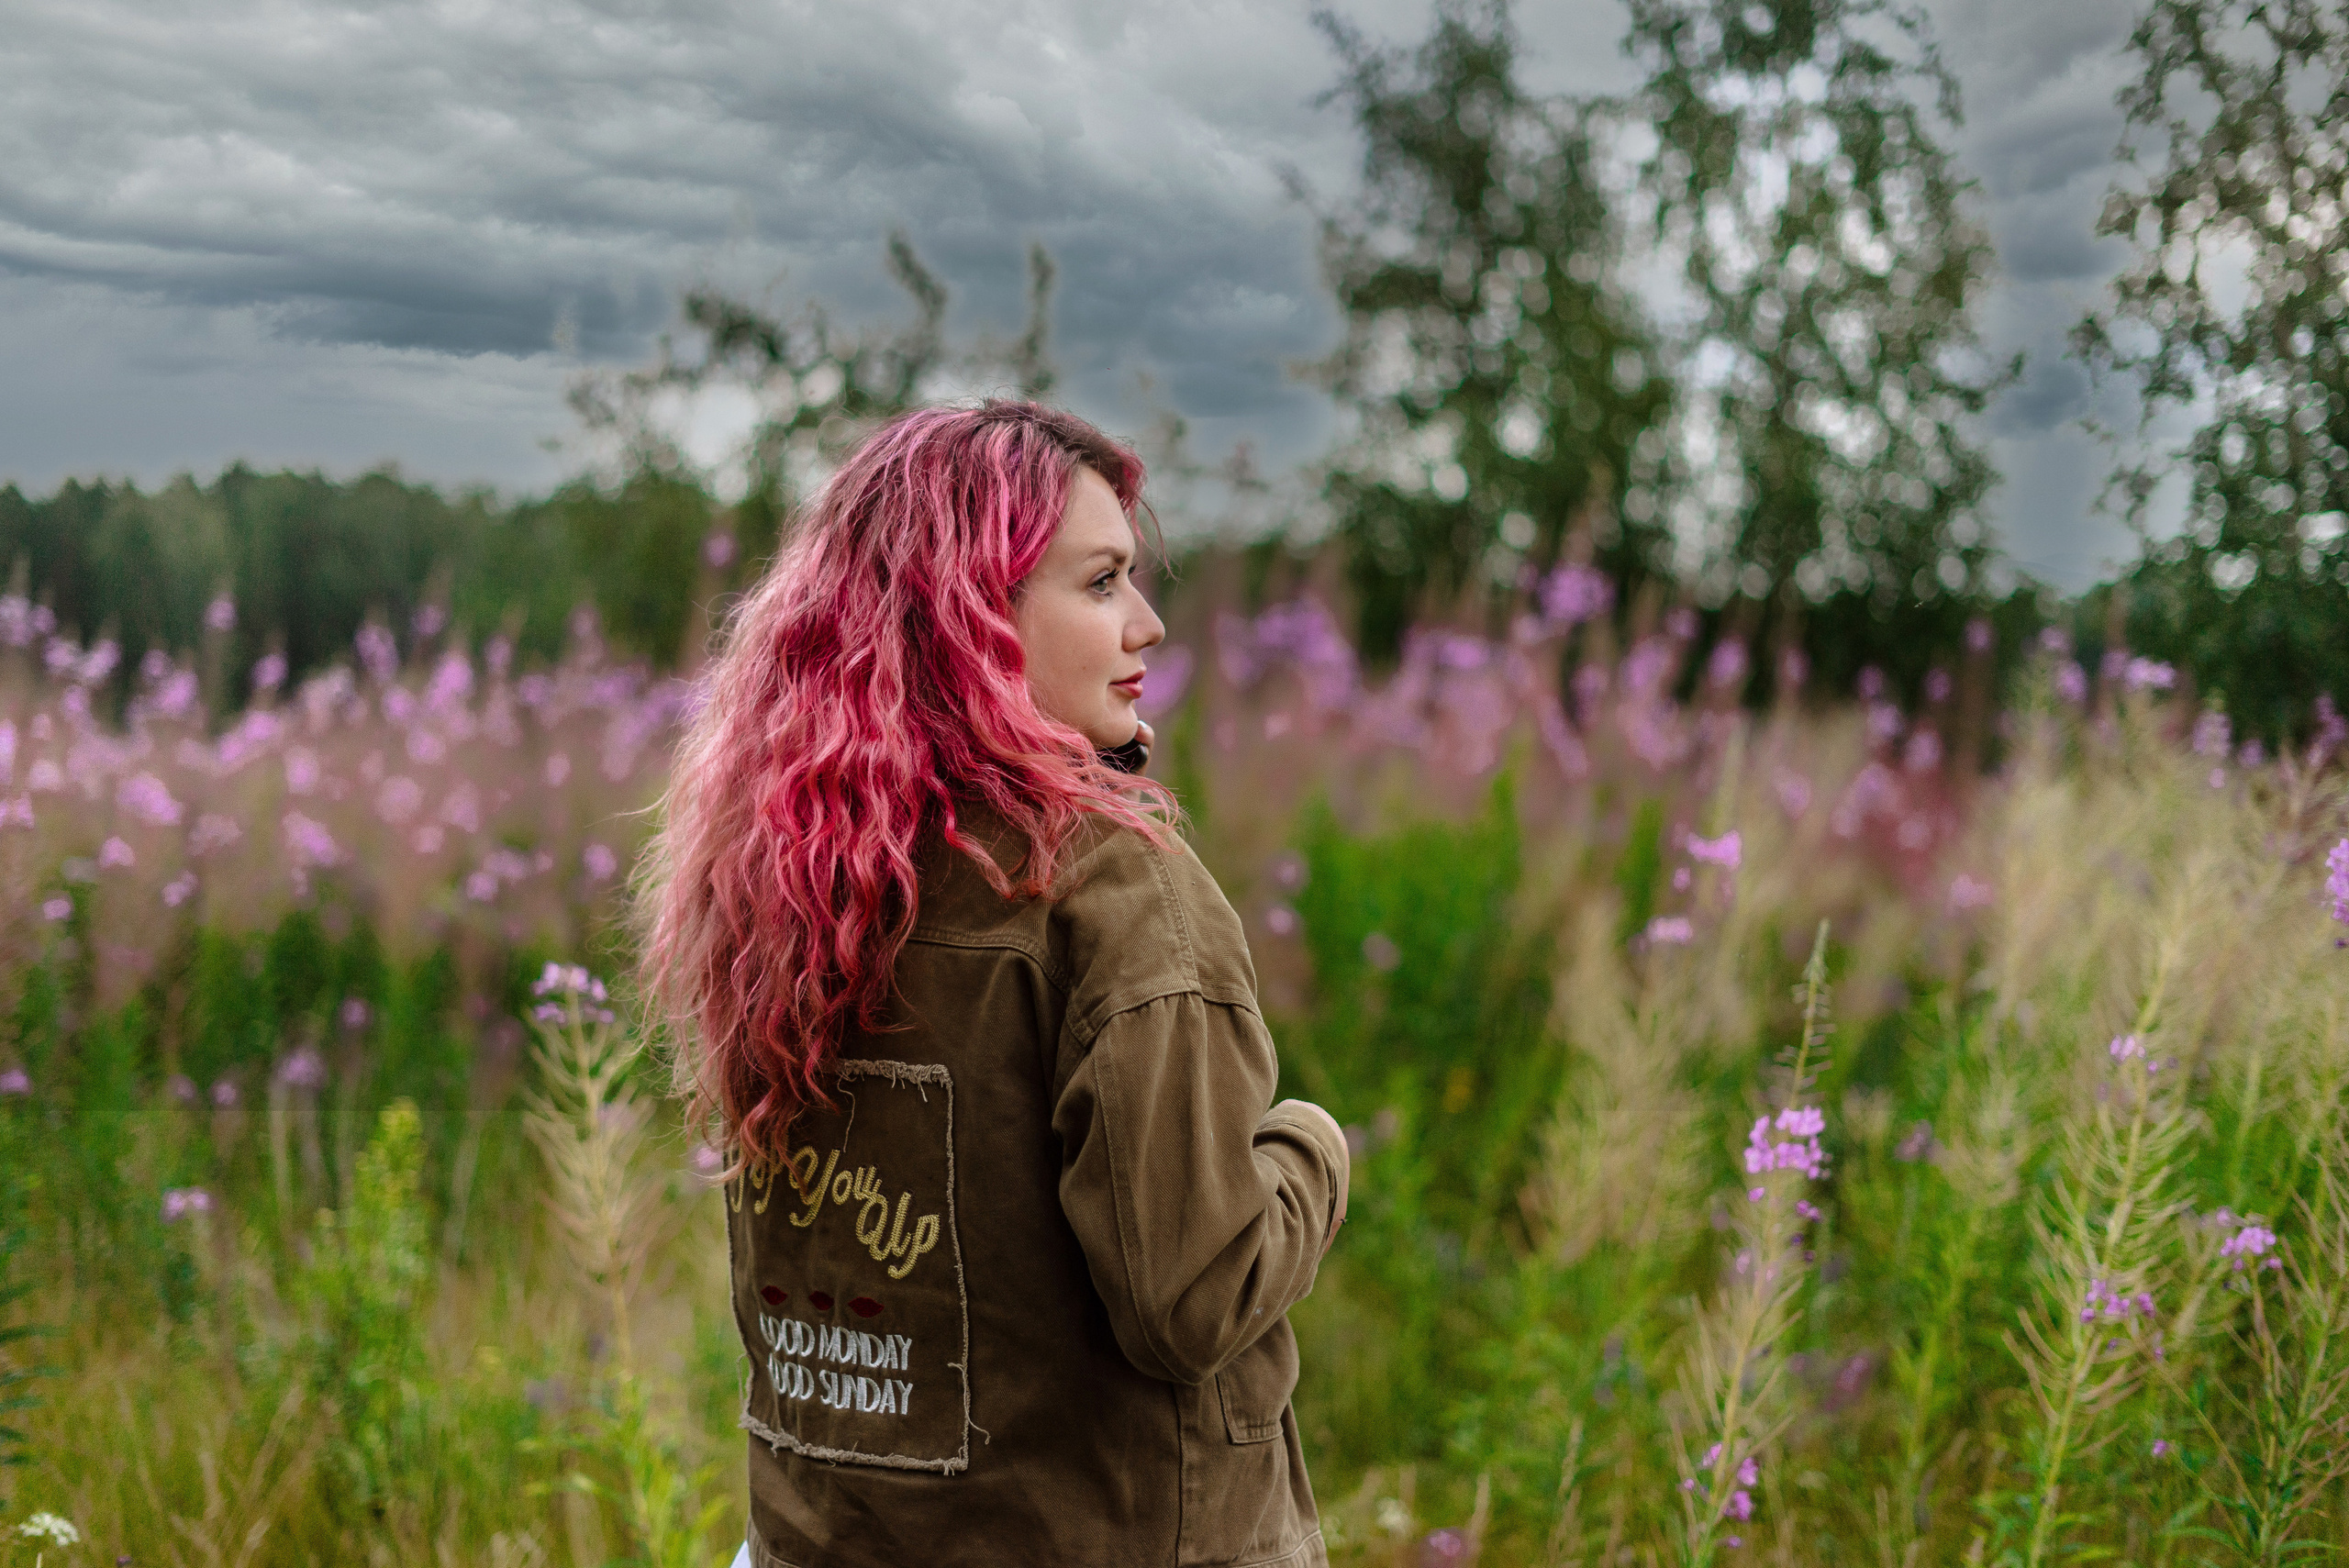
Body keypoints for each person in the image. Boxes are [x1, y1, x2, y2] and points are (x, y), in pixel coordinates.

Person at [637, 400, 1351, 1568]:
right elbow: (1193, 1300)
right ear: (973, 613)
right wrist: (1308, 1151)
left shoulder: (788, 876)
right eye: (1102, 581)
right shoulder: (1111, 893)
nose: (1149, 623)